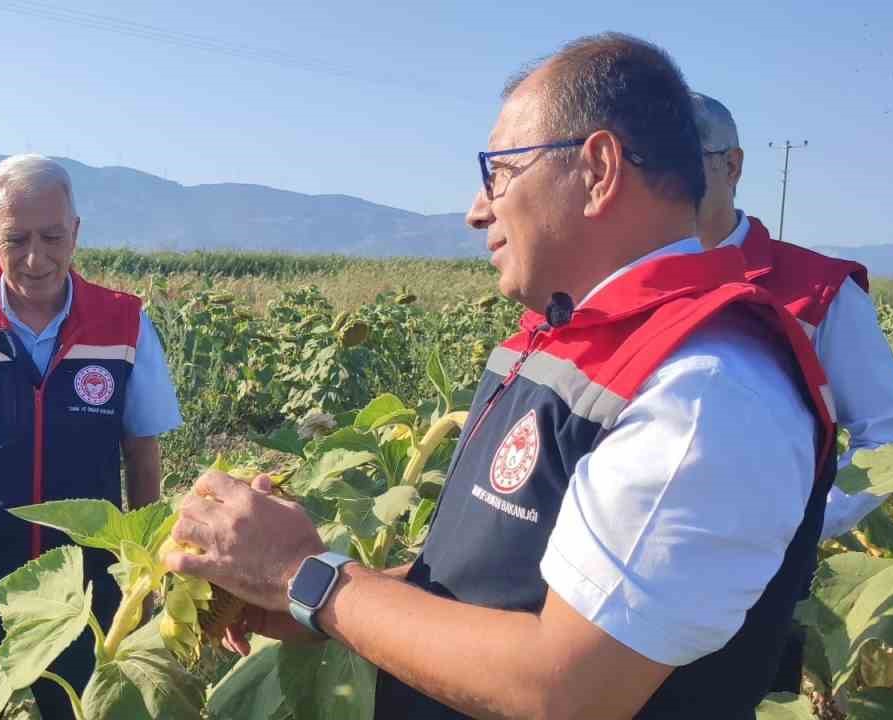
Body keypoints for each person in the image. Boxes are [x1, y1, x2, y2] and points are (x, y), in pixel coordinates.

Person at [164, 33, 840, 719]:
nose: (477, 209)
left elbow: (567, 686)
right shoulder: (570, 344)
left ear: (599, 169)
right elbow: (490, 587)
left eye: (501, 170)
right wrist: (321, 604)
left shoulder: (702, 389)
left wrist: (307, 578)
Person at [0, 155, 182, 718]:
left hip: (83, 589)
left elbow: (143, 458)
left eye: (52, 236)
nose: (35, 257)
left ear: (75, 231)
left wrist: (144, 578)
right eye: (15, 238)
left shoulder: (123, 325)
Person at [691, 91, 893, 540]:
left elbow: (890, 434)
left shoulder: (820, 288)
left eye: (679, 162)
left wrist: (799, 531)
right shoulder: (619, 279)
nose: (659, 183)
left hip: (757, 571)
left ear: (731, 166)